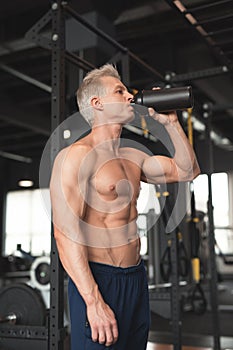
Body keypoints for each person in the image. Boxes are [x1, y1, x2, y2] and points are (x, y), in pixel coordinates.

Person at [49, 63, 200, 350]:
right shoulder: (75, 157)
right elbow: (64, 234)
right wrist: (93, 302)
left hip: (135, 278)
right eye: (119, 91)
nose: (130, 96)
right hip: (99, 281)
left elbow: (187, 170)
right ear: (98, 103)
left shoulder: (133, 157)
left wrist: (171, 124)